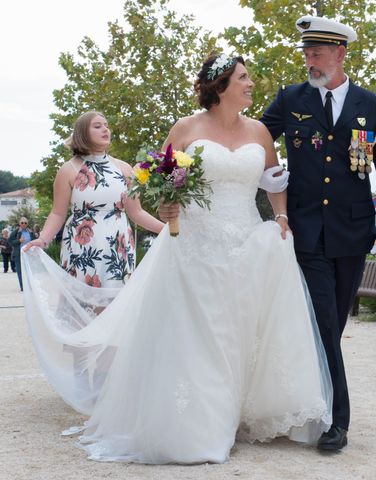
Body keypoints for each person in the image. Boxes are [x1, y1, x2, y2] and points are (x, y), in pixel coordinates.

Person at [21, 52, 331, 464]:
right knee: (204, 330)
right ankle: (206, 419)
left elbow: (273, 179)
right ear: (220, 86)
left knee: (242, 324)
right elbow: (162, 180)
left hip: (246, 240)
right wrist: (168, 207)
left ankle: (240, 410)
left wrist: (280, 215)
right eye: (243, 78)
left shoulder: (259, 132)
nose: (251, 84)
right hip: (195, 243)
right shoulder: (186, 128)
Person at [260, 16, 376, 451]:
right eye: (306, 52)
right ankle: (336, 422)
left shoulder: (373, 104)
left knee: (333, 325)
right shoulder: (290, 98)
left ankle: (315, 401)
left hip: (353, 232)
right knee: (323, 322)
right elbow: (254, 140)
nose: (309, 60)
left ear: (341, 54)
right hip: (305, 230)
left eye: (317, 52)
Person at [23, 111, 164, 287]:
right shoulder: (68, 170)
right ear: (83, 133)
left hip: (118, 245)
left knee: (116, 302)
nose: (105, 129)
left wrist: (166, 230)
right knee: (82, 305)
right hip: (81, 247)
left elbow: (137, 212)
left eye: (106, 125)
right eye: (97, 126)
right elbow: (57, 213)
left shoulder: (124, 169)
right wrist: (43, 239)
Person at [9, 217, 34, 290]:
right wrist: (19, 241)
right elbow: (10, 242)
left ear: (27, 224)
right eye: (22, 222)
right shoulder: (15, 232)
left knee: (29, 271)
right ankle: (23, 287)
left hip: (29, 254)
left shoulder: (30, 232)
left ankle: (29, 285)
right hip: (19, 255)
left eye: (25, 223)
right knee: (20, 271)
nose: (24, 224)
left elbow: (34, 241)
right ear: (19, 223)